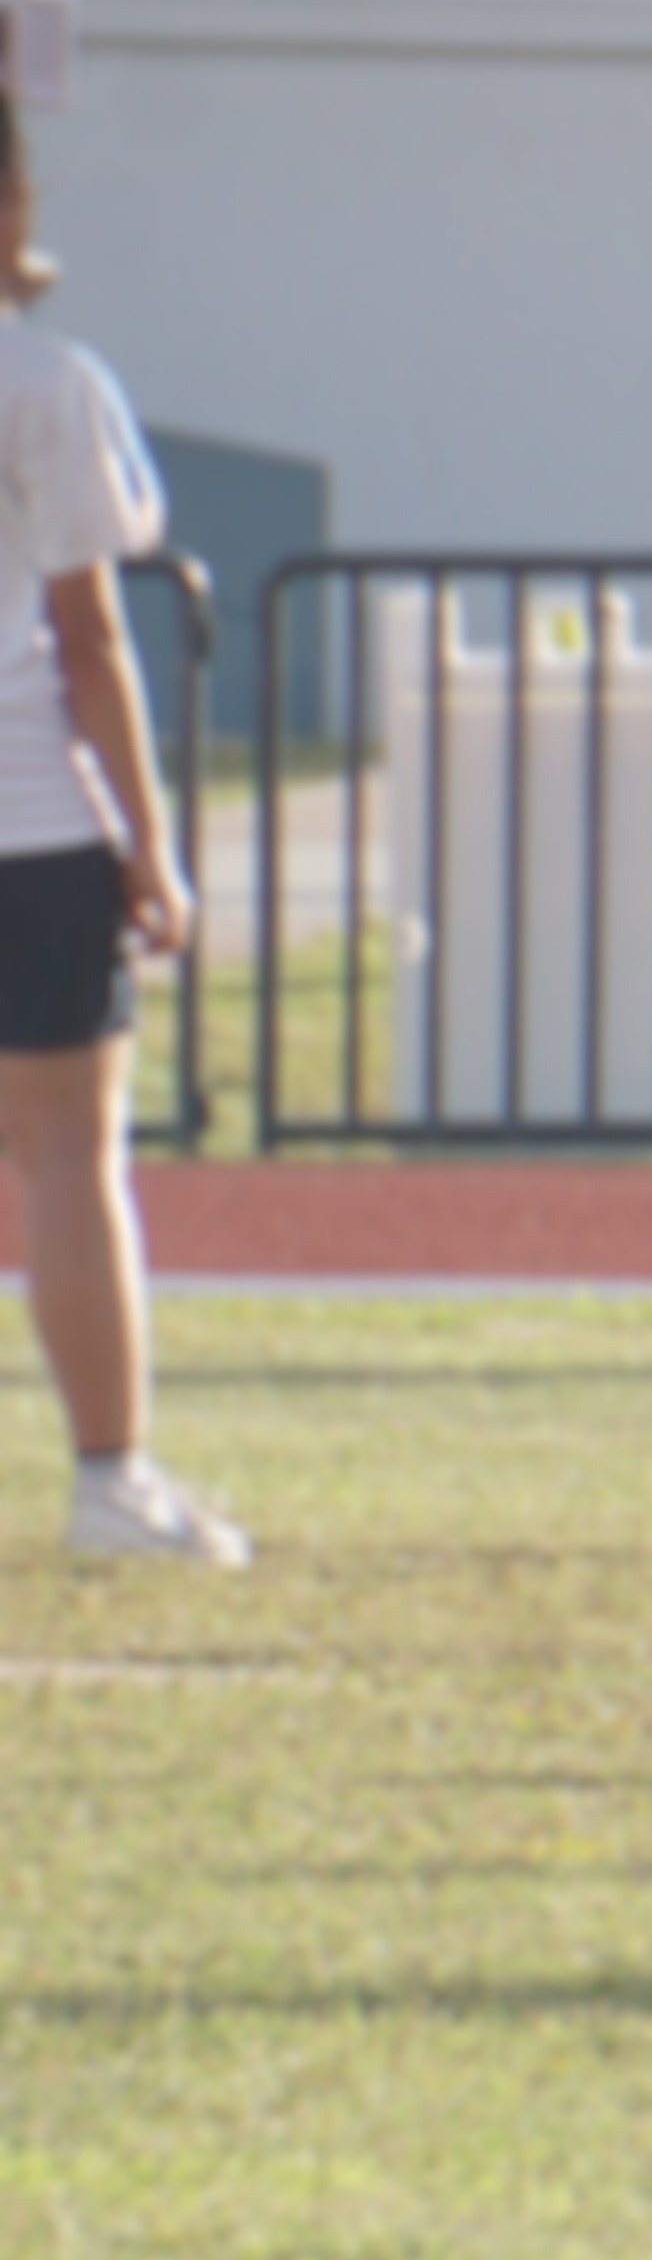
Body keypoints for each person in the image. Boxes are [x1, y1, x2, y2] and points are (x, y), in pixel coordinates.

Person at [0, 103, 246, 1568]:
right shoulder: (49, 381)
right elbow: (91, 640)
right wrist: (154, 846)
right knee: (72, 1161)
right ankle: (111, 1481)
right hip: (33, 824)